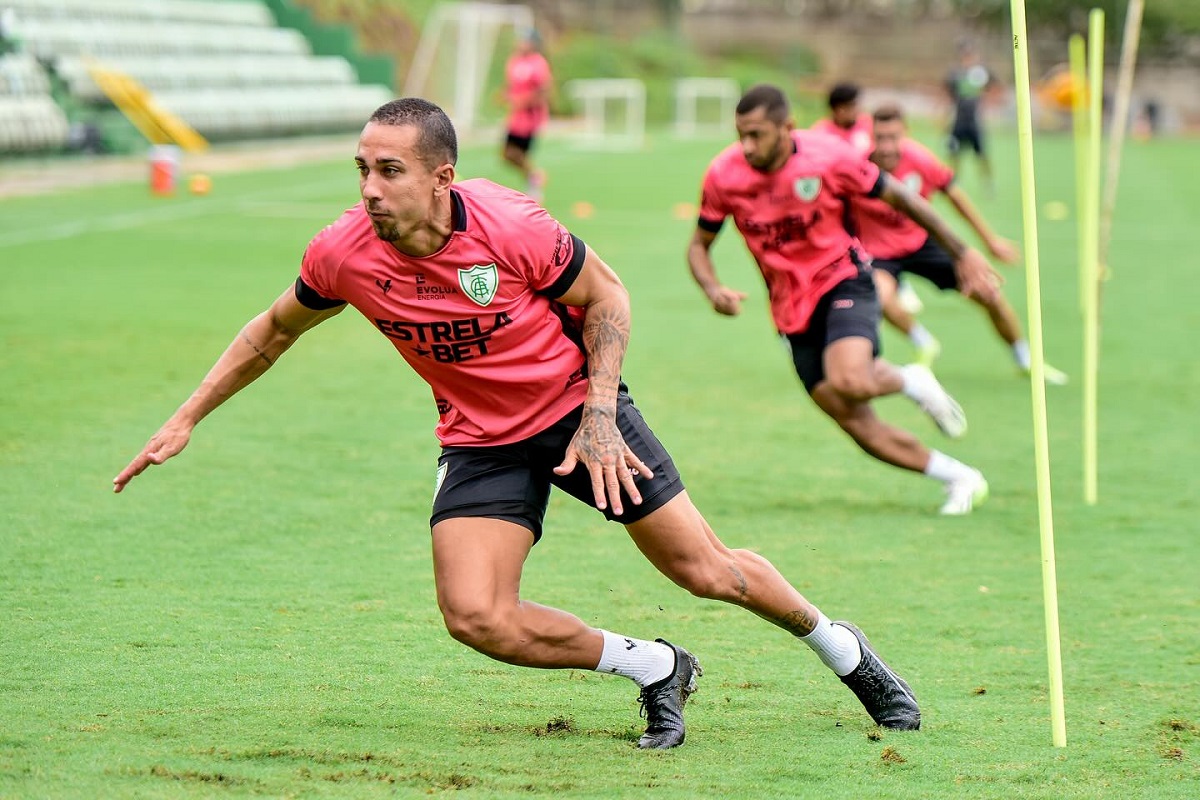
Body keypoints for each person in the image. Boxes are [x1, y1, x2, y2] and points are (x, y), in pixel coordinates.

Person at [113, 97, 922, 750]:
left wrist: (602, 413)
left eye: (389, 171)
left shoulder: (510, 227)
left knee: (707, 573)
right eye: (360, 169)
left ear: (442, 177)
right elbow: (272, 331)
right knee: (476, 617)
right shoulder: (343, 252)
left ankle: (844, 651)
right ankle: (656, 667)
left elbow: (607, 297)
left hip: (578, 413)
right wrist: (186, 417)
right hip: (479, 436)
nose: (368, 188)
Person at [687, 84, 995, 516]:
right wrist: (712, 287)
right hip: (790, 308)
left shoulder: (829, 158)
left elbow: (902, 197)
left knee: (850, 379)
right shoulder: (724, 174)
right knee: (851, 418)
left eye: (756, 134)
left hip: (843, 279)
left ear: (787, 128)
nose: (746, 145)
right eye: (741, 134)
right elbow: (699, 245)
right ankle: (961, 478)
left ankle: (911, 380)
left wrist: (961, 253)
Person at [856, 104, 1068, 384]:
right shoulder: (858, 167)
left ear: (905, 133)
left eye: (892, 137)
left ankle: (1026, 360)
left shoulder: (921, 160)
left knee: (988, 292)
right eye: (879, 138)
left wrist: (990, 241)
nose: (885, 146)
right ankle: (924, 344)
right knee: (881, 297)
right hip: (879, 254)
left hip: (922, 243)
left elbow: (955, 197)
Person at [809, 81, 923, 313]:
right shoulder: (820, 133)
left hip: (868, 189)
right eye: (850, 106)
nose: (856, 111)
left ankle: (899, 282)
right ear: (837, 109)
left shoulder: (865, 125)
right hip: (841, 197)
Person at [501, 28, 551, 201]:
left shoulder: (538, 63)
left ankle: (534, 180)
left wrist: (524, 102)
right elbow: (512, 87)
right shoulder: (513, 61)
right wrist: (506, 97)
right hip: (515, 117)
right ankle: (534, 177)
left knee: (513, 153)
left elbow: (542, 90)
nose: (521, 43)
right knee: (507, 154)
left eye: (525, 40)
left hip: (530, 117)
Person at [945, 40, 996, 193]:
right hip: (958, 120)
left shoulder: (981, 74)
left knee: (982, 154)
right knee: (954, 152)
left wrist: (988, 103)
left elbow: (994, 88)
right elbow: (948, 95)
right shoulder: (955, 74)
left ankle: (988, 182)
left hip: (974, 122)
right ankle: (954, 181)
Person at [810, 82, 874, 156]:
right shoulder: (821, 133)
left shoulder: (867, 123)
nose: (858, 109)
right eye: (853, 105)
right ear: (840, 109)